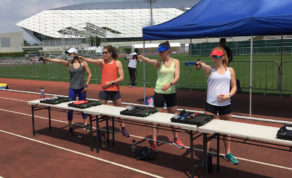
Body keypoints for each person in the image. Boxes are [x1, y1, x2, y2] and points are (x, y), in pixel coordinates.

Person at [138, 41, 185, 152]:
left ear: (168, 51)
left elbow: (177, 76)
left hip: (171, 93)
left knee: (174, 116)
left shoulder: (176, 62)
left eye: (162, 51)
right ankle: (154, 142)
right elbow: (149, 61)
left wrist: (169, 84)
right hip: (159, 92)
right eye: (159, 52)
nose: (160, 54)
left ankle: (176, 138)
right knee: (156, 118)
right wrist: (142, 57)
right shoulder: (158, 62)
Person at [195, 47, 239, 165]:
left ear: (223, 57)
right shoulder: (210, 70)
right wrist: (199, 63)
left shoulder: (230, 70)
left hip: (225, 104)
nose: (214, 59)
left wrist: (228, 96)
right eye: (213, 56)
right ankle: (205, 154)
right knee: (208, 131)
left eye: (217, 57)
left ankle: (228, 153)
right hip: (211, 105)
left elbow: (234, 87)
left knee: (226, 130)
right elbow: (204, 65)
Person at [79, 45, 130, 137]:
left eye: (105, 52)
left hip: (114, 90)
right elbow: (92, 61)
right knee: (99, 111)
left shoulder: (117, 63)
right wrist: (83, 58)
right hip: (103, 90)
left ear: (111, 53)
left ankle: (123, 127)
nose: (104, 54)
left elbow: (122, 77)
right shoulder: (102, 62)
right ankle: (99, 130)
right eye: (103, 52)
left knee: (119, 110)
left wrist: (111, 83)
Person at [43, 48, 92, 135]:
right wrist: (48, 59)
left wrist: (86, 85)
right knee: (70, 108)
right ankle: (70, 126)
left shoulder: (83, 63)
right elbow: (58, 61)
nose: (68, 55)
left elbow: (90, 74)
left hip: (82, 89)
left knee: (84, 106)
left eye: (70, 54)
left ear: (75, 54)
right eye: (68, 54)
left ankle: (86, 124)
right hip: (72, 88)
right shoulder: (68, 64)